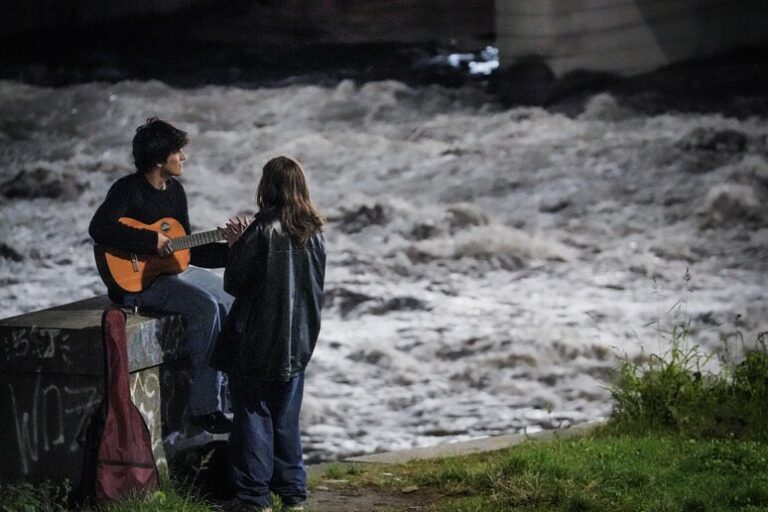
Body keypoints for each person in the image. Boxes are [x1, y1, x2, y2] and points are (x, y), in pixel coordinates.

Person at [89, 117, 243, 434]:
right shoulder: (128, 189)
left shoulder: (176, 192)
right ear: (160, 159)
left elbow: (186, 253)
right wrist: (148, 241)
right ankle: (205, 408)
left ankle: (229, 397)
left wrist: (234, 249)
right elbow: (99, 228)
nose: (183, 158)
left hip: (172, 273)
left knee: (231, 296)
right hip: (137, 283)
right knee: (205, 307)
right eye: (178, 152)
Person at [212, 156, 325, 512]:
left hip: (257, 342)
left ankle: (254, 497)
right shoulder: (314, 231)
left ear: (268, 187)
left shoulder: (261, 228)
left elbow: (234, 282)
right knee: (285, 419)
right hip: (299, 340)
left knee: (253, 417)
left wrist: (234, 245)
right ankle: (293, 493)